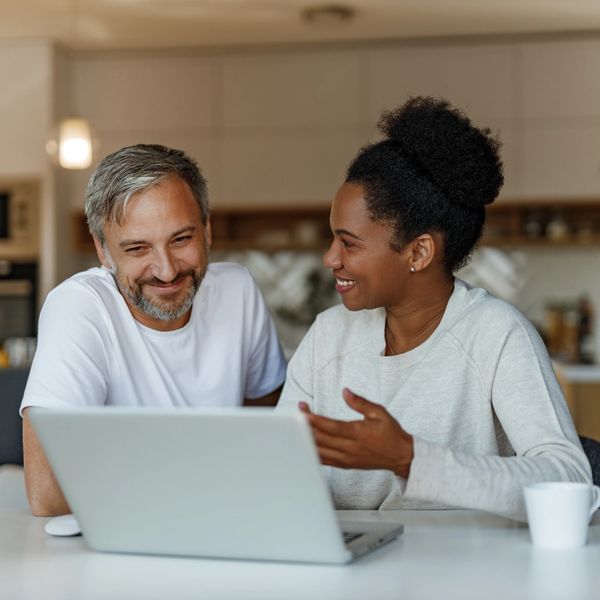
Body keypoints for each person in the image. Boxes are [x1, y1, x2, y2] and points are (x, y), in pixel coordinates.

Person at [277, 96, 592, 521]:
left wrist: (411, 460)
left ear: (419, 251)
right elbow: (280, 469)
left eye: (348, 243)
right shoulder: (328, 335)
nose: (329, 258)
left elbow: (569, 479)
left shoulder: (496, 335)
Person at [21, 144, 286, 516]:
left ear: (207, 230)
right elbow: (48, 494)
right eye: (137, 249)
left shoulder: (237, 290)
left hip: (224, 525)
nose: (166, 270)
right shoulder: (79, 307)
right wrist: (216, 476)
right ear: (103, 249)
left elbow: (271, 436)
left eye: (181, 239)